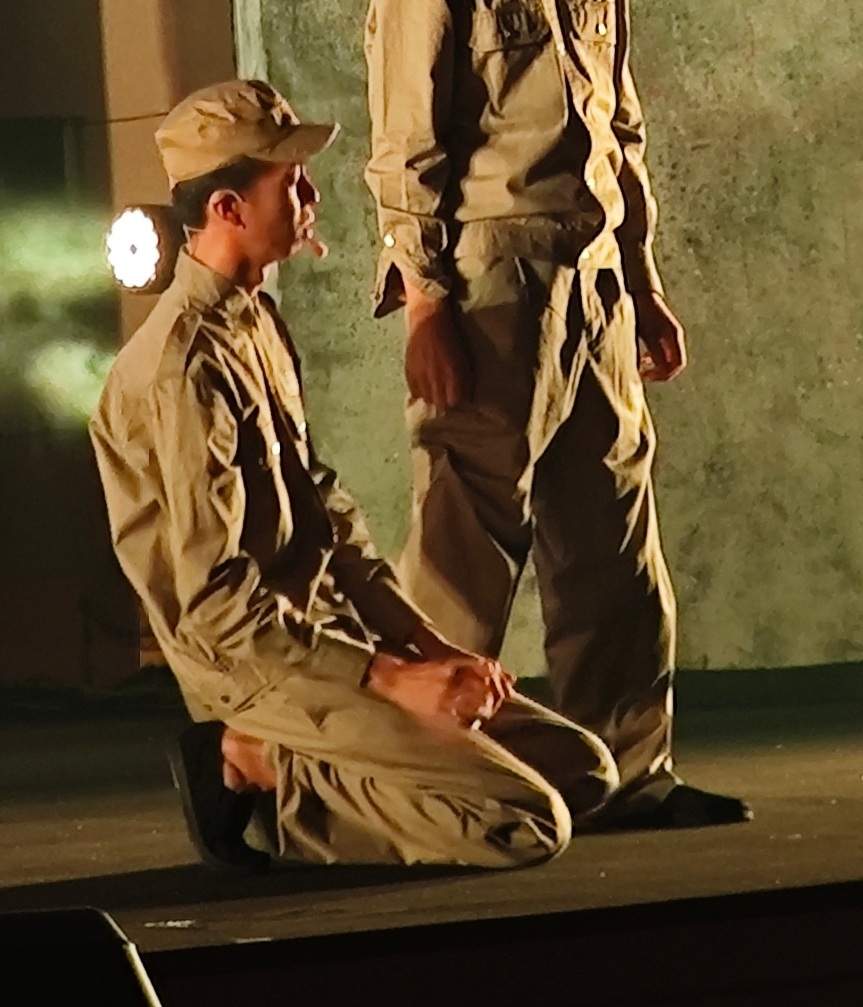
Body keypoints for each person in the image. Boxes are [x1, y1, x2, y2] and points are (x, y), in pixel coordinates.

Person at [363, 0, 744, 829]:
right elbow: (408, 144)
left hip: (592, 284)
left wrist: (643, 280)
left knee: (614, 545)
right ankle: (421, 788)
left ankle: (627, 775)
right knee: (463, 551)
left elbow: (618, 135)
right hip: (490, 286)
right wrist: (426, 302)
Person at [95, 78, 617, 868]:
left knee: (584, 770)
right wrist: (390, 680)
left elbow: (324, 513)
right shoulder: (182, 369)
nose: (311, 197)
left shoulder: (255, 323)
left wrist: (425, 644)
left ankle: (341, 767)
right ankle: (258, 767)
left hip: (330, 635)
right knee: (524, 822)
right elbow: (219, 608)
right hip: (260, 667)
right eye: (291, 183)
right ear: (229, 209)